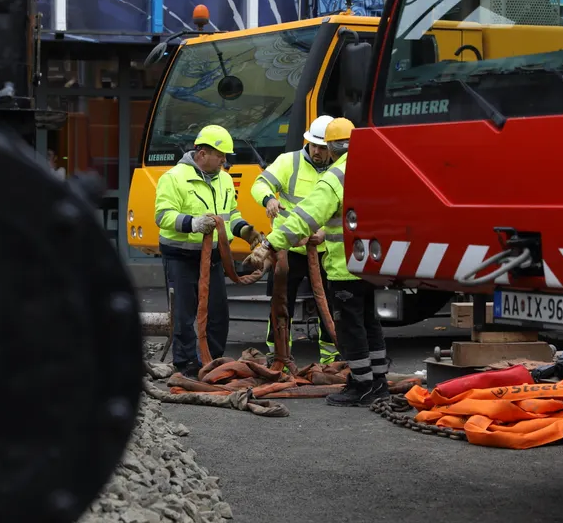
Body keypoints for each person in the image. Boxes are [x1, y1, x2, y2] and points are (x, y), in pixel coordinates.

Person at [244, 118, 388, 407]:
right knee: (369, 323)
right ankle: (378, 382)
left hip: (345, 266)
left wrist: (269, 244)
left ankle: (361, 385)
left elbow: (305, 216)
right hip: (371, 263)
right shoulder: (373, 166)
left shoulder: (337, 175)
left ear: (333, 147)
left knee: (351, 326)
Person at [154, 125, 263, 378]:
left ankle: (213, 361)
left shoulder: (224, 179)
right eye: (220, 155)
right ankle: (187, 365)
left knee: (217, 314)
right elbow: (162, 216)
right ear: (202, 153)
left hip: (211, 258)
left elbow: (230, 214)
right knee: (183, 315)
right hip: (181, 258)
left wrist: (245, 230)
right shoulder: (173, 178)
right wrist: (194, 223)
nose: (225, 160)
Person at [250, 115, 339, 365]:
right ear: (307, 142)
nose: (319, 152)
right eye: (315, 146)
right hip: (287, 250)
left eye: (324, 147)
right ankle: (278, 357)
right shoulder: (289, 162)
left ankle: (331, 362)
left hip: (322, 249)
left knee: (329, 307)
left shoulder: (339, 168)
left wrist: (324, 233)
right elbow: (260, 184)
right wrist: (269, 199)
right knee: (280, 304)